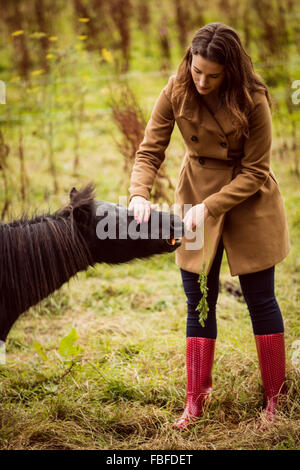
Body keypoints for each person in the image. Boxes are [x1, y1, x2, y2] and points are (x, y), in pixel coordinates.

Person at [128, 22, 291, 430]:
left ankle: (275, 400)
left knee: (260, 298)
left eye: (212, 75)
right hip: (194, 191)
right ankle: (195, 401)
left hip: (247, 202)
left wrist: (211, 207)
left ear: (230, 72)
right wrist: (138, 194)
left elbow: (257, 170)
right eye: (196, 70)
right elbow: (150, 149)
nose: (201, 81)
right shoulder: (177, 88)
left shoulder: (253, 99)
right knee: (198, 297)